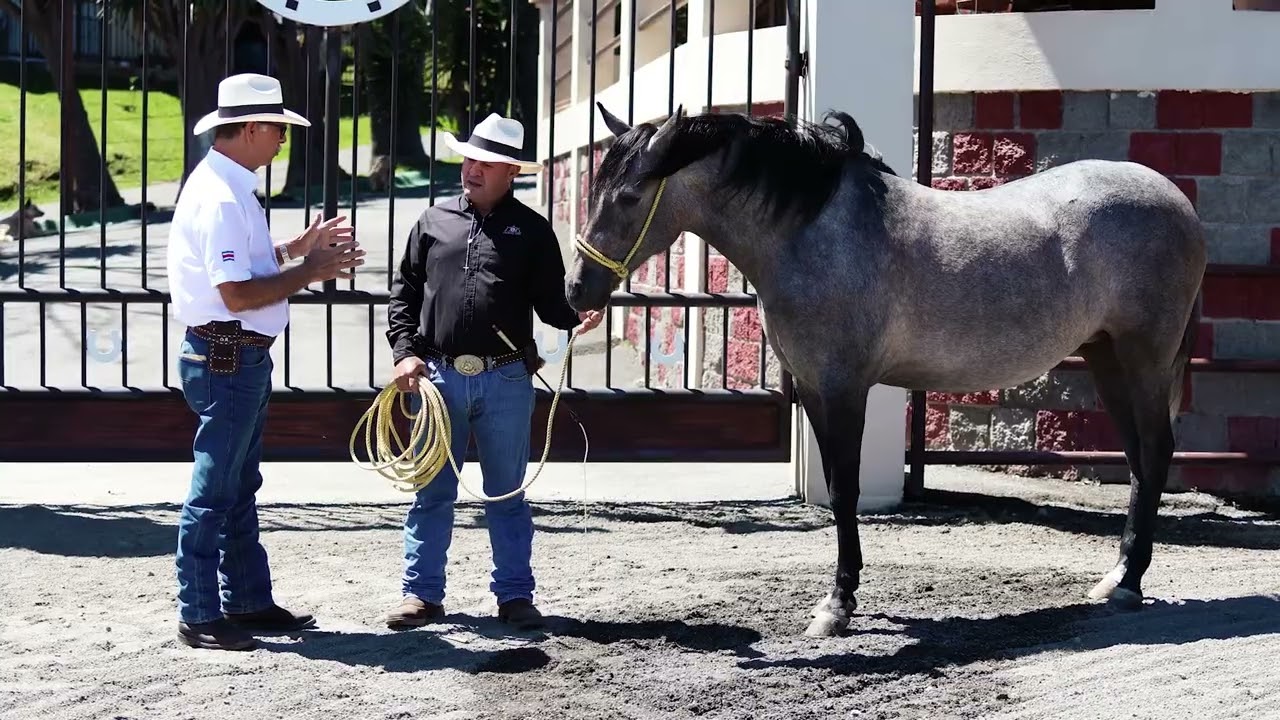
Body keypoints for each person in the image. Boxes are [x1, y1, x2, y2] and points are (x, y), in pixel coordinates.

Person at [166, 73, 366, 651]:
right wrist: (310, 270)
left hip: (231, 356)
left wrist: (295, 251)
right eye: (277, 128)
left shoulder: (224, 188)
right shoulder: (224, 196)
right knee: (217, 487)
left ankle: (242, 601)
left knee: (234, 483)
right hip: (230, 355)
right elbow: (235, 294)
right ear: (251, 128)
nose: (282, 139)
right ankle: (202, 611)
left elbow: (240, 272)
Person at [384, 113, 603, 630]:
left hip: (506, 378)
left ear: (512, 172)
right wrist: (403, 353)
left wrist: (578, 317)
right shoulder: (432, 221)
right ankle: (421, 595)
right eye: (469, 159)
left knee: (507, 493)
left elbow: (552, 303)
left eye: (486, 162)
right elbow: (404, 295)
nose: (472, 169)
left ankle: (514, 597)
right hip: (436, 378)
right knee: (432, 492)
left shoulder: (532, 230)